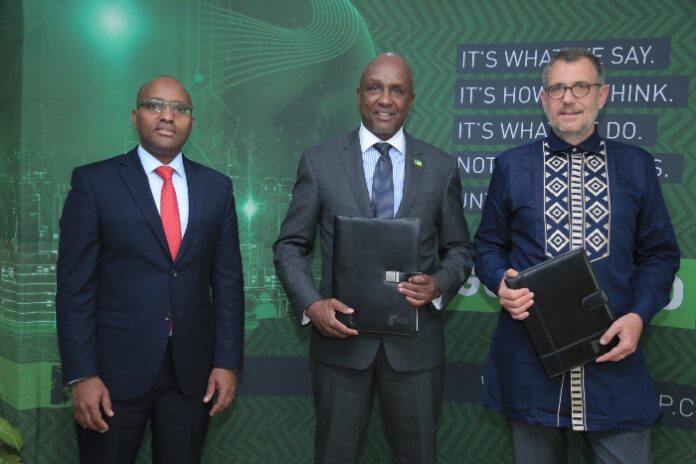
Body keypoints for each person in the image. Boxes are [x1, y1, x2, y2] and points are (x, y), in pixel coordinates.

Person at [474, 48, 680, 463]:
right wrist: (500, 282)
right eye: (557, 88)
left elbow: (658, 254)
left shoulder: (637, 166)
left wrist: (639, 315)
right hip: (532, 361)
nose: (568, 99)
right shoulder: (512, 166)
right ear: (543, 99)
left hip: (613, 361)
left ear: (601, 95)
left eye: (580, 87)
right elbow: (487, 246)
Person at [273, 52, 475, 463]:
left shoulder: (441, 167)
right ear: (358, 95)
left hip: (416, 350)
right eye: (375, 88)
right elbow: (289, 246)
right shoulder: (320, 161)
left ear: (412, 99)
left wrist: (439, 284)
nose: (385, 99)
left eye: (396, 90)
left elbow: (460, 250)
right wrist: (312, 305)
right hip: (340, 346)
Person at [55, 76, 245, 464]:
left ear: (192, 122)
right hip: (110, 374)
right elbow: (75, 288)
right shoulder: (94, 183)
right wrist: (81, 375)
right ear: (134, 116)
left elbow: (228, 285)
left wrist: (226, 362)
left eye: (180, 108)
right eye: (154, 104)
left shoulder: (218, 188)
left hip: (191, 376)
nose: (167, 116)